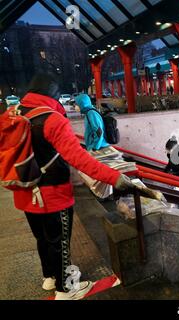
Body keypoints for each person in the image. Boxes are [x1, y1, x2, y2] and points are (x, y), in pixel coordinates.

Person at [8, 74, 134, 300]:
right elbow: (79, 159)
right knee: (60, 241)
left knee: (43, 238)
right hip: (52, 194)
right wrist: (113, 177)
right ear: (54, 96)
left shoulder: (15, 113)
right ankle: (65, 289)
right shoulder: (52, 119)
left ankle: (50, 278)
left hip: (25, 190)